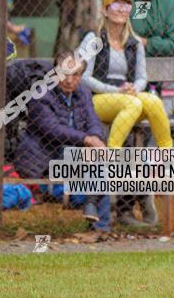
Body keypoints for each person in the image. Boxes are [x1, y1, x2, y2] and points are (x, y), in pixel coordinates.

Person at [80, 0, 173, 226]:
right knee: (133, 103)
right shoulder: (93, 39)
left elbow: (142, 77)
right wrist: (116, 91)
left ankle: (167, 155)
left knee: (152, 100)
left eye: (126, 5)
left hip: (126, 99)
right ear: (105, 9)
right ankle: (111, 156)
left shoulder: (134, 43)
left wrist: (134, 87)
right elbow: (83, 78)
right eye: (116, 4)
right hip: (98, 99)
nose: (121, 9)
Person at [14, 51, 111, 233]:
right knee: (98, 163)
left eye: (75, 75)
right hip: (46, 157)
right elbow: (53, 131)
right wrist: (86, 140)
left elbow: (93, 121)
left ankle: (98, 222)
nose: (69, 80)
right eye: (65, 73)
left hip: (78, 155)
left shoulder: (83, 92)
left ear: (81, 76)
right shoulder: (40, 92)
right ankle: (99, 226)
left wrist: (94, 139)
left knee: (99, 160)